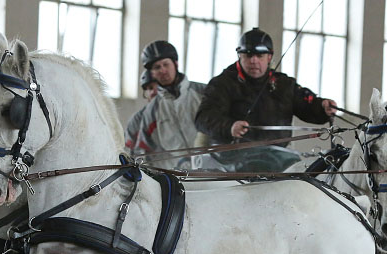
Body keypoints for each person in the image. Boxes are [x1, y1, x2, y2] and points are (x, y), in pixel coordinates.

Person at [195, 28, 338, 150]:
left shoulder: (284, 84)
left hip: (279, 159)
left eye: (259, 55)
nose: (254, 60)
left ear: (269, 57)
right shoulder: (222, 83)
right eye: (248, 55)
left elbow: (306, 105)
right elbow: (203, 118)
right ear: (240, 55)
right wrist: (229, 127)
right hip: (231, 158)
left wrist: (322, 107)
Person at [131, 40, 206, 168]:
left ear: (175, 64)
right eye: (157, 67)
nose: (163, 70)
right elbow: (141, 150)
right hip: (175, 177)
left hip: (211, 174)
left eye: (166, 64)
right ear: (152, 73)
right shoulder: (152, 110)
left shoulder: (203, 93)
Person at [124, 69, 159, 154]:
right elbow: (127, 149)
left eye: (158, 87)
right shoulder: (137, 120)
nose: (154, 91)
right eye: (150, 88)